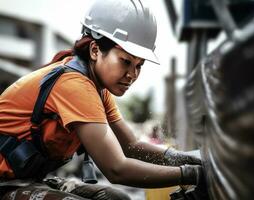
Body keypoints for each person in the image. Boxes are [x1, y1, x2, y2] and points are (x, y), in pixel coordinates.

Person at [0, 0, 203, 199]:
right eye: (125, 61)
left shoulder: (97, 89)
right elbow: (116, 169)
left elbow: (130, 145)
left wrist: (186, 158)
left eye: (139, 65)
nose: (132, 74)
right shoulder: (74, 86)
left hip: (27, 180)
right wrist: (191, 173)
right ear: (95, 50)